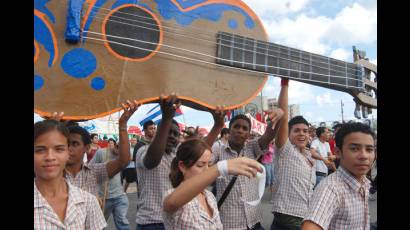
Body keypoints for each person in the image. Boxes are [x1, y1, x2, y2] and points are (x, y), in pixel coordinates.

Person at [134, 94, 225, 229]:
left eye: (176, 134)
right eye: (167, 131)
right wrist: (167, 118)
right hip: (152, 222)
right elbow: (151, 161)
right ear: (158, 132)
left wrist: (218, 126)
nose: (171, 136)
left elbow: (199, 151)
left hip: (177, 219)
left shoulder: (177, 153)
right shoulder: (144, 151)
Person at [162, 139, 263, 229]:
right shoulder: (171, 194)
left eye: (209, 164)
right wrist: (219, 168)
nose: (207, 170)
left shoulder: (210, 197)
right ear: (182, 166)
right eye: (200, 165)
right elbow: (172, 203)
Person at [211, 109, 284, 230]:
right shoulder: (218, 150)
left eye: (245, 129)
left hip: (254, 221)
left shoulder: (252, 147)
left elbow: (268, 135)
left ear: (249, 134)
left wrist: (278, 118)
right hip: (230, 223)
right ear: (229, 130)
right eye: (236, 127)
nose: (240, 130)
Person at [302, 122, 376, 230]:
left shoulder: (364, 182)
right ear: (338, 152)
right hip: (319, 173)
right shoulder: (331, 189)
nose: (364, 156)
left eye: (369, 150)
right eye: (354, 149)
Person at [34, 119, 107, 229]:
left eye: (59, 149)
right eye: (40, 150)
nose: (50, 157)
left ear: (67, 153)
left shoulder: (88, 201)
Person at [63, 100, 138, 197]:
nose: (69, 148)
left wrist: (123, 124)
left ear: (87, 148)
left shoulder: (92, 173)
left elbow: (123, 162)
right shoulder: (51, 173)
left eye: (75, 144)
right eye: (65, 144)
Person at [270, 78, 316, 230]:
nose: (302, 134)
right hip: (288, 218)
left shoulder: (309, 156)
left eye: (305, 131)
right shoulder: (286, 150)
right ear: (288, 134)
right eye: (297, 130)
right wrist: (284, 84)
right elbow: (283, 118)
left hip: (307, 216)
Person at [91, 138, 131, 230]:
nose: (121, 151)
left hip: (119, 195)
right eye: (119, 147)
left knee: (122, 221)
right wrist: (94, 193)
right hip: (104, 197)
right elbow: (89, 170)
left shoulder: (123, 156)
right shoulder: (101, 153)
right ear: (115, 145)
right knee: (100, 224)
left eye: (124, 149)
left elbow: (129, 158)